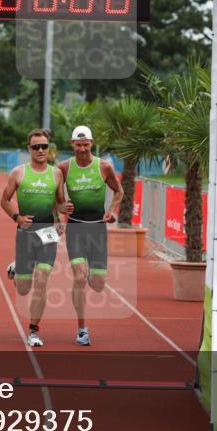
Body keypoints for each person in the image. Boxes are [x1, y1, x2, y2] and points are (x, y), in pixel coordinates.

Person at [57, 125, 124, 347]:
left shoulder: (103, 167)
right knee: (78, 277)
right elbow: (54, 199)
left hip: (97, 229)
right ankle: (81, 329)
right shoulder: (64, 168)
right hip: (75, 228)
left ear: (91, 144)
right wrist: (61, 207)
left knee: (97, 284)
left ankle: (89, 277)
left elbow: (119, 191)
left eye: (86, 144)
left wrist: (112, 211)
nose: (83, 149)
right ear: (72, 144)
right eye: (79, 144)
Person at [0, 129, 68, 348]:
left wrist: (59, 217)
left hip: (47, 232)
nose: (40, 150)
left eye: (44, 146)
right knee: (23, 288)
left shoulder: (57, 174)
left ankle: (34, 330)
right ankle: (17, 266)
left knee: (42, 279)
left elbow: (58, 202)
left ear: (49, 149)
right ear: (29, 149)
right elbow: (5, 200)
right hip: (26, 233)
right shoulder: (18, 172)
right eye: (36, 147)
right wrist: (17, 217)